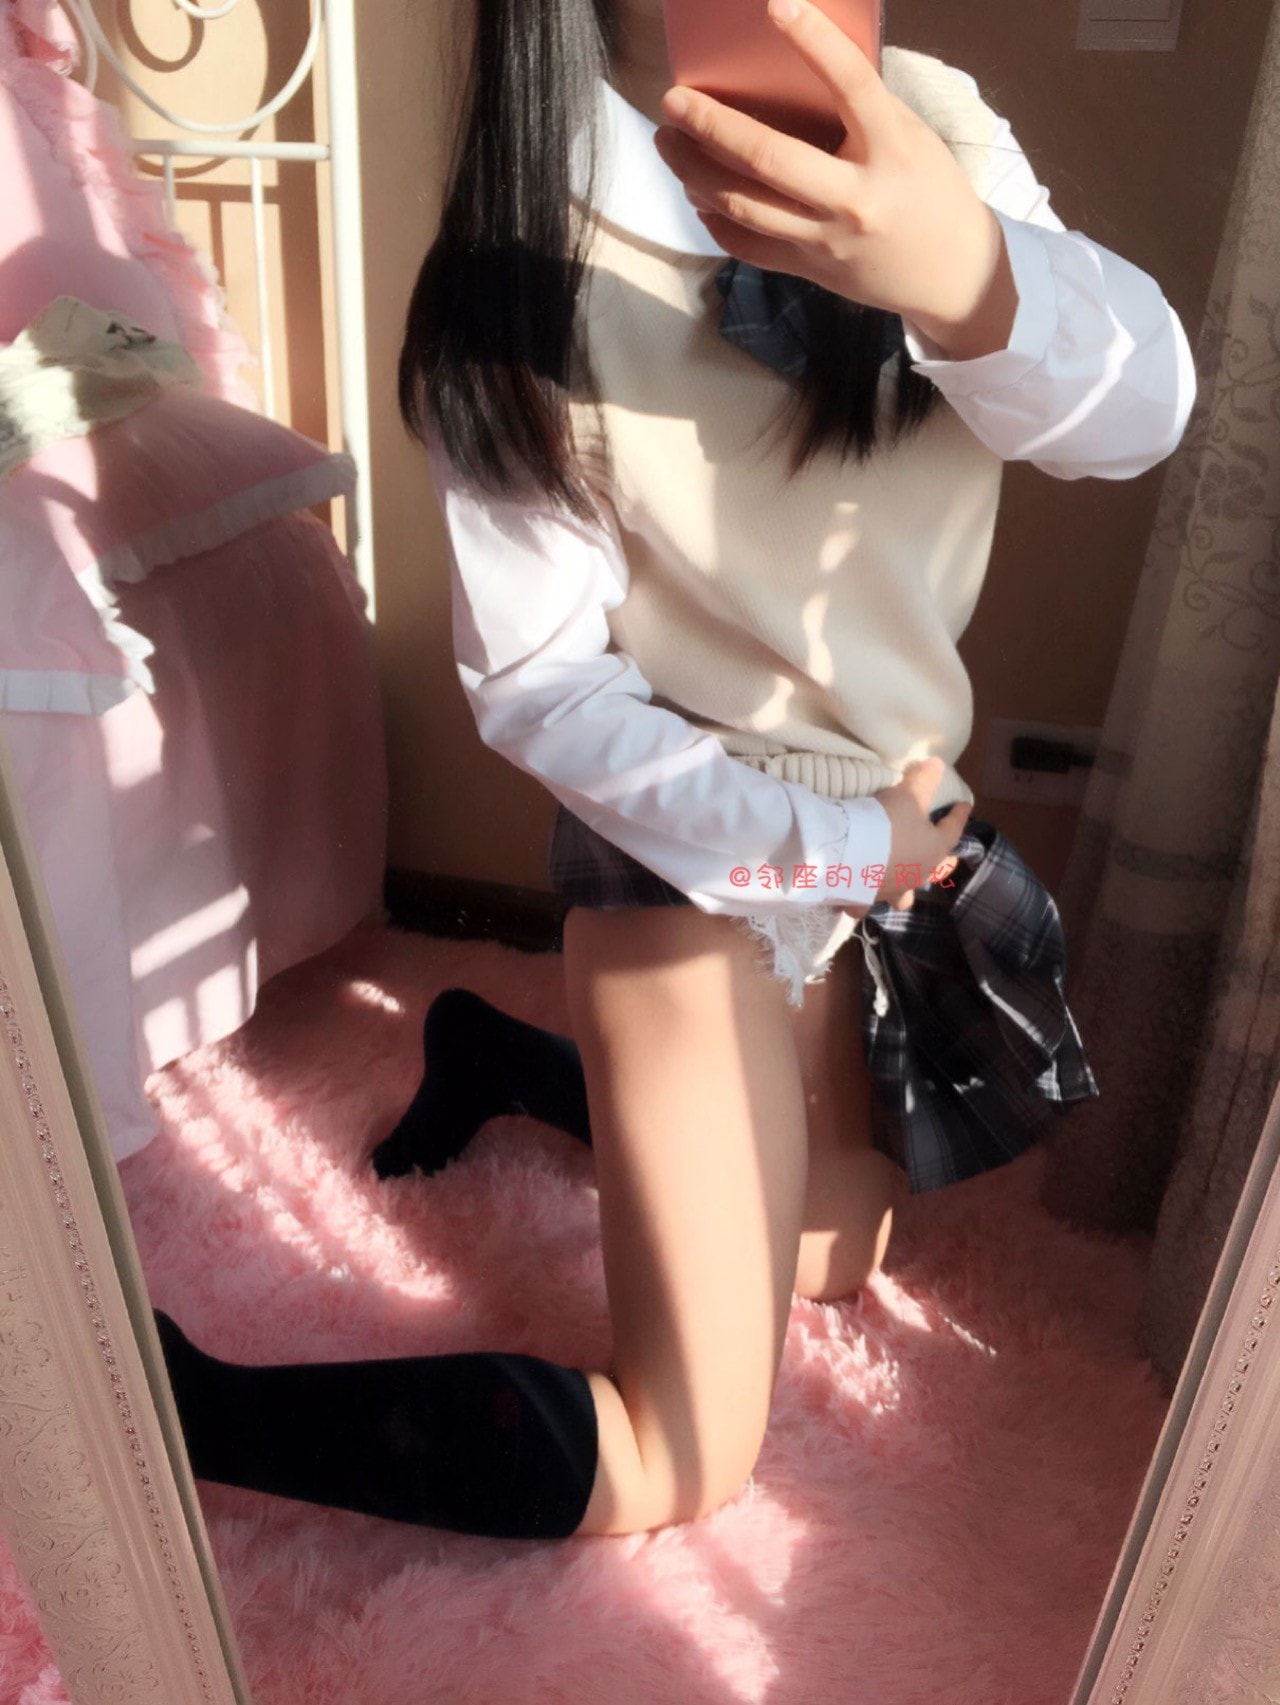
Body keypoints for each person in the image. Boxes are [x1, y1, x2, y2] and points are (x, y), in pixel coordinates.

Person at [154, 0, 1197, 1543]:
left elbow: (1146, 413)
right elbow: (545, 690)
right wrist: (836, 851)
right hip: (691, 840)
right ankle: (178, 1403)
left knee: (834, 1246)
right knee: (684, 1447)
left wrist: (971, 275)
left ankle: (501, 1058)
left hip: (886, 808)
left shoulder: (932, 126)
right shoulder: (520, 263)